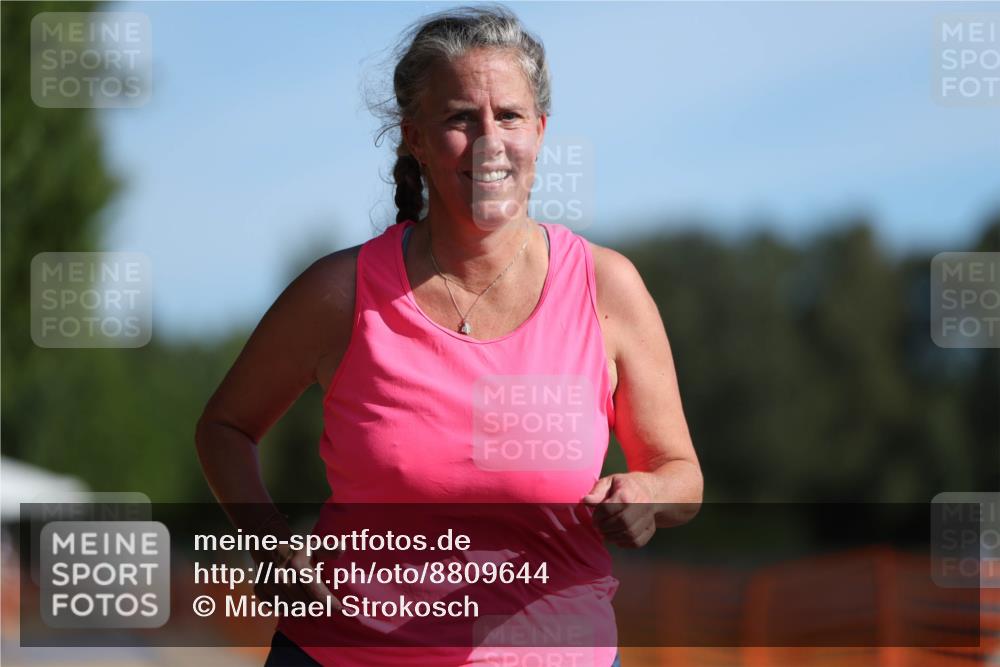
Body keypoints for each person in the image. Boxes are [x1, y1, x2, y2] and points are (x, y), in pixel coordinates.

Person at [195, 5, 702, 666]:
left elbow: (680, 475)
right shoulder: (341, 292)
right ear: (415, 137)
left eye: (510, 116)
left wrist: (647, 496)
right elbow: (225, 426)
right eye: (461, 117)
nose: (490, 141)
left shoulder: (607, 288)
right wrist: (267, 542)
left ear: (541, 133)